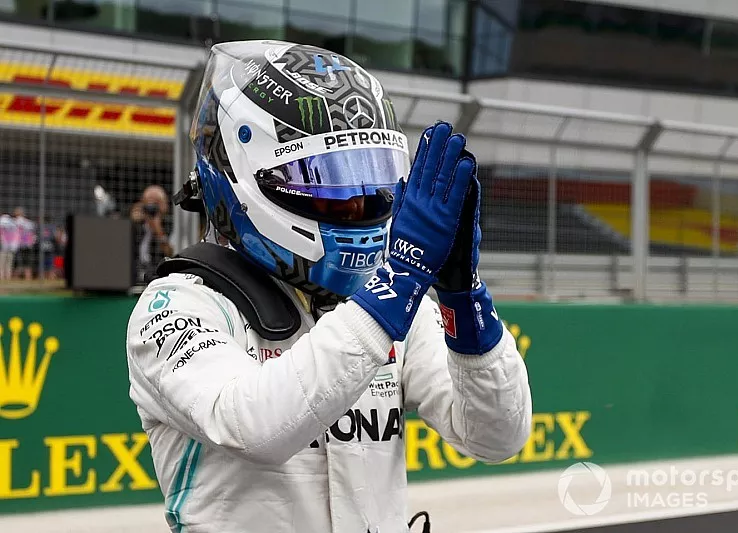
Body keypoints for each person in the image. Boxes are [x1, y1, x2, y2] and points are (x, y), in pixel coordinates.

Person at [125, 41, 532, 533]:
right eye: (327, 184)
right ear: (239, 176)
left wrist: (463, 300)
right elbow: (252, 426)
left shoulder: (389, 299)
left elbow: (497, 436)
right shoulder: (178, 305)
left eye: (368, 182)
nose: (357, 205)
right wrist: (393, 289)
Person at [131, 185, 174, 283]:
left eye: (157, 202)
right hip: (134, 272)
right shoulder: (137, 224)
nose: (152, 207)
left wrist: (158, 229)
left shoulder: (169, 224)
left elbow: (170, 252)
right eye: (149, 202)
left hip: (158, 275)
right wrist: (131, 221)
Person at [0, 211, 19, 281]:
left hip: (3, 246)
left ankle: (2, 278)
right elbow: (16, 235)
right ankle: (8, 277)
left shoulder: (1, 221)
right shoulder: (13, 223)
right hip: (11, 246)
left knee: (1, 263)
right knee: (9, 263)